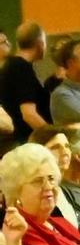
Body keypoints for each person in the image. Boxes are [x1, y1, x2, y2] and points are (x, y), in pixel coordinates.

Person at [0, 22, 45, 150]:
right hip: (19, 141)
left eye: (7, 40)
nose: (8, 44)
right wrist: (53, 136)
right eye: (3, 42)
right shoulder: (18, 67)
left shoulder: (13, 67)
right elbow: (28, 114)